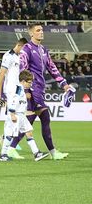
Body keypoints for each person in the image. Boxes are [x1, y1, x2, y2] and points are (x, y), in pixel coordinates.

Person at [8, 24, 70, 160]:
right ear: (31, 34)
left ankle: (10, 148)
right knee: (44, 117)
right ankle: (53, 153)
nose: (41, 32)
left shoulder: (43, 50)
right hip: (33, 89)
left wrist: (63, 83)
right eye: (38, 30)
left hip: (40, 89)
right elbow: (23, 71)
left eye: (42, 30)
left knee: (28, 120)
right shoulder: (27, 49)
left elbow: (52, 68)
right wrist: (26, 89)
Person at [0, 70, 50, 162]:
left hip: (21, 115)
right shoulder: (18, 89)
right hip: (16, 114)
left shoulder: (21, 89)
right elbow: (13, 100)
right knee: (10, 135)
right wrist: (12, 114)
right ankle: (3, 154)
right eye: (29, 82)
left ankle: (36, 153)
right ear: (23, 81)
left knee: (29, 132)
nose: (30, 84)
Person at [0, 38, 27, 159]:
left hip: (16, 91)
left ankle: (4, 153)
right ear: (19, 45)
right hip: (10, 91)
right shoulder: (9, 56)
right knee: (11, 122)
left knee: (13, 123)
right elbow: (2, 74)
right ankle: (3, 154)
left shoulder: (18, 57)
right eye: (24, 48)